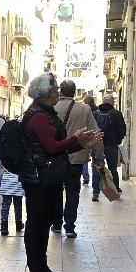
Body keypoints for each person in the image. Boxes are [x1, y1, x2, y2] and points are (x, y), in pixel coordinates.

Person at [20, 72, 100, 272]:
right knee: (36, 223)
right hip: (37, 178)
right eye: (55, 88)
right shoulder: (38, 116)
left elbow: (58, 149)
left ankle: (42, 266)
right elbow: (51, 147)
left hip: (49, 176)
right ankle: (34, 271)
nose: (58, 91)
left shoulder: (48, 113)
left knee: (45, 222)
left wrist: (82, 143)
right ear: (46, 92)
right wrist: (75, 138)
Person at [53, 80, 104, 237]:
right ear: (74, 92)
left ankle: (56, 223)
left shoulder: (52, 107)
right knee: (73, 192)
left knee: (56, 191)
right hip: (76, 158)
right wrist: (99, 158)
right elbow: (95, 135)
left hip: (55, 157)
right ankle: (69, 227)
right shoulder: (84, 109)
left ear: (61, 91)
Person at [93, 98, 126, 201]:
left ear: (103, 101)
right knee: (113, 169)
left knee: (97, 169)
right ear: (112, 102)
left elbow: (91, 129)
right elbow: (122, 130)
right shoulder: (117, 114)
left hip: (97, 146)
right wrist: (117, 140)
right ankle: (115, 191)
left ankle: (95, 193)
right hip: (111, 146)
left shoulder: (95, 114)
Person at [0, 162, 25, 237]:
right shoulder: (21, 155)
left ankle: (4, 227)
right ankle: (18, 224)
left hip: (6, 182)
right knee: (18, 205)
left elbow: (0, 165)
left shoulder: (5, 155)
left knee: (5, 205)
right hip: (18, 182)